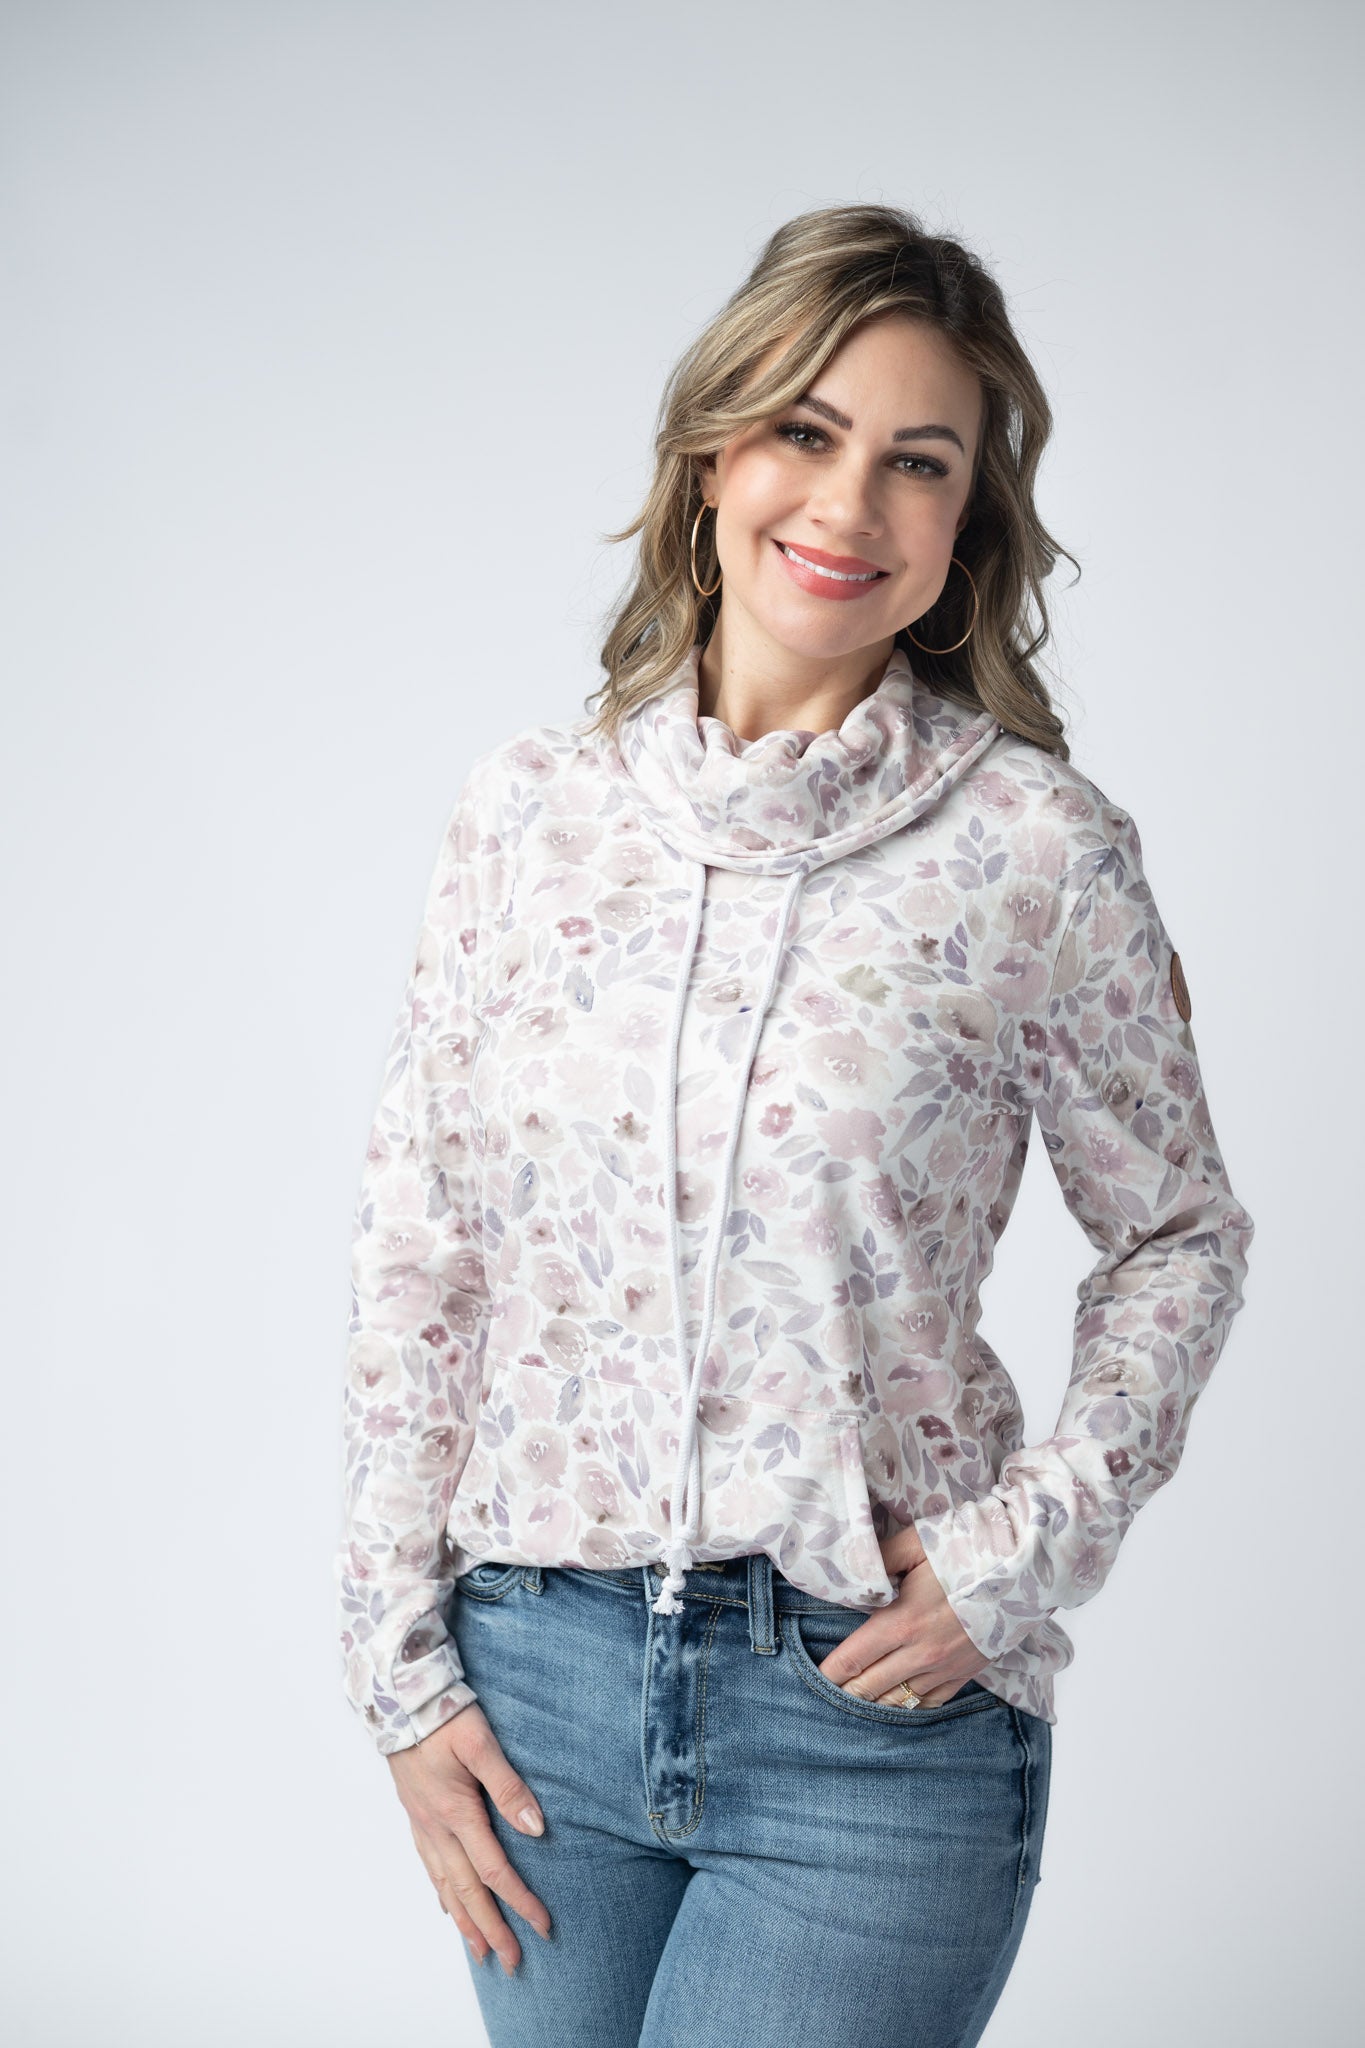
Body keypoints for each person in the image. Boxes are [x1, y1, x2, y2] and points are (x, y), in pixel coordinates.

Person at [334, 202, 1255, 2048]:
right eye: (805, 432)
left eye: (918, 461)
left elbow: (1177, 1237)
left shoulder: (1035, 850)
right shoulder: (525, 818)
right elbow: (423, 1254)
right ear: (709, 460)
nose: (848, 502)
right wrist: (399, 1670)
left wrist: (1019, 1552)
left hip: (865, 1715)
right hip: (537, 1692)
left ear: (964, 524)